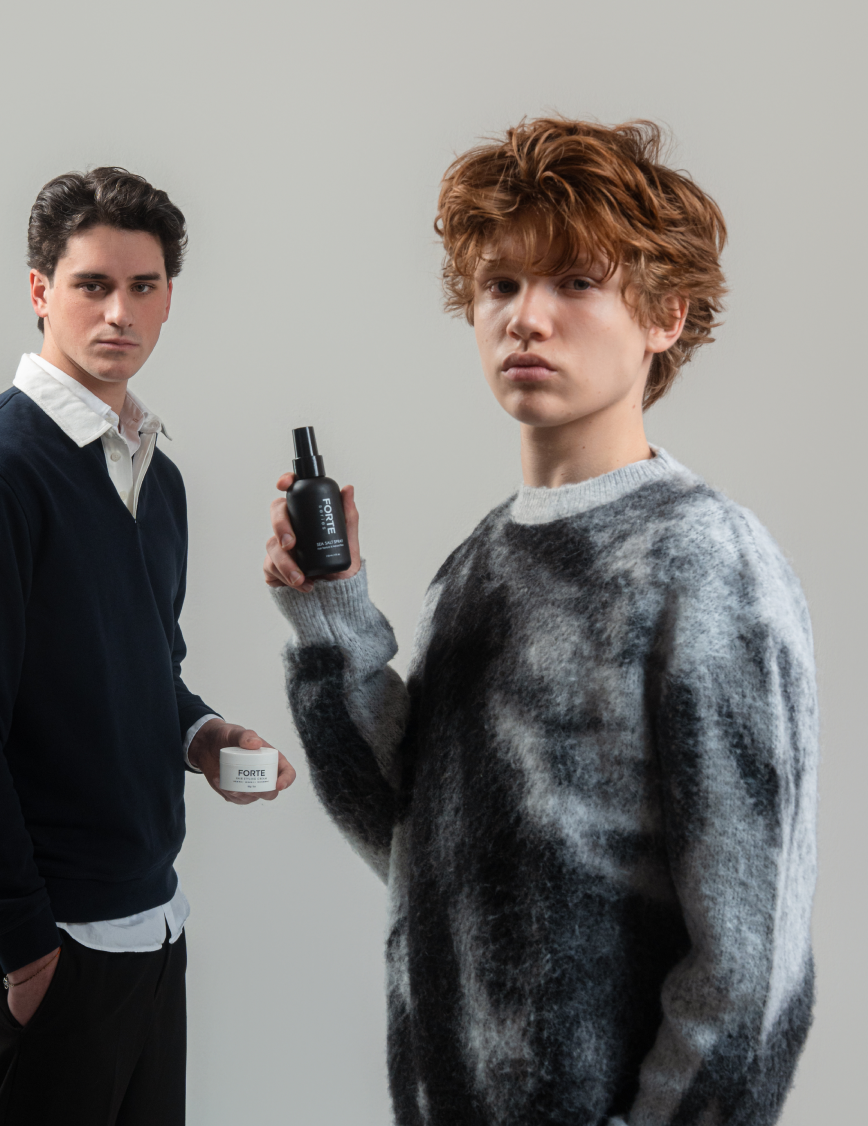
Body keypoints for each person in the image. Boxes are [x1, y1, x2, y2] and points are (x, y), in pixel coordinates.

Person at [263, 119, 817, 1125]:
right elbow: (416, 841)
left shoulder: (710, 565)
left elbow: (751, 960)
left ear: (665, 317)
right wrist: (331, 622)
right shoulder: (476, 563)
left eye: (574, 282)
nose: (526, 317)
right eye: (500, 286)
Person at [0, 166, 295, 1126]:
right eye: (91, 285)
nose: (119, 312)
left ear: (168, 300)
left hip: (152, 926)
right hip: (46, 946)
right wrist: (27, 949)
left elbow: (141, 669)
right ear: (41, 292)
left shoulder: (157, 480)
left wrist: (202, 736)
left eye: (143, 286)